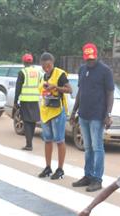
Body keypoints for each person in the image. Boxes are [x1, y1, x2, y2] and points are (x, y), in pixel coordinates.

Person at [70, 43, 114, 192]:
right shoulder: (82, 70)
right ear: (84, 58)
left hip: (97, 116)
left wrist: (108, 114)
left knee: (97, 148)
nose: (90, 61)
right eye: (87, 59)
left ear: (96, 56)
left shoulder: (105, 71)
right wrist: (73, 111)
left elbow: (110, 93)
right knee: (87, 147)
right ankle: (87, 176)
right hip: (83, 115)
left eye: (92, 58)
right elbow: (80, 92)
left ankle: (97, 179)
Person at [37, 52, 72, 180]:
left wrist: (56, 87)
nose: (46, 68)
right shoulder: (43, 76)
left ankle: (60, 169)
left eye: (48, 65)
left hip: (57, 111)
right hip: (46, 111)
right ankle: (48, 167)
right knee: (47, 140)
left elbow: (69, 89)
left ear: (53, 63)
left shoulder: (60, 74)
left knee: (59, 140)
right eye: (43, 66)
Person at [14, 54, 41, 151]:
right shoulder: (38, 72)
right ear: (32, 62)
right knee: (32, 121)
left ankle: (29, 144)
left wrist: (15, 101)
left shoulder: (23, 72)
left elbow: (18, 88)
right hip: (35, 100)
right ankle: (30, 142)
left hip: (25, 100)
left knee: (26, 121)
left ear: (24, 62)